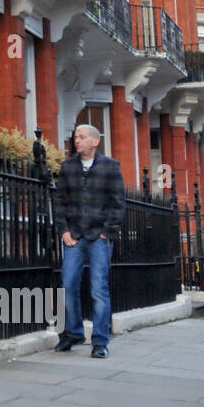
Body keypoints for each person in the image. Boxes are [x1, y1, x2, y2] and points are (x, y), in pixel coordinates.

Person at [53, 123, 125, 358]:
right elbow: (60, 202)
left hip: (99, 237)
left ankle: (100, 341)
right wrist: (63, 231)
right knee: (67, 284)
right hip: (74, 235)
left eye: (82, 137)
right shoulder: (67, 167)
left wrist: (107, 231)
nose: (77, 140)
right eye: (76, 137)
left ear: (95, 141)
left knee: (98, 288)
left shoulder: (111, 167)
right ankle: (73, 331)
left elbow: (118, 203)